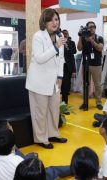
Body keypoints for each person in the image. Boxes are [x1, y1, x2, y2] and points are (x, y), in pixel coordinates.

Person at [25, 8, 67, 149]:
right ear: (44, 21)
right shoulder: (38, 36)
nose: (54, 22)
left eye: (56, 19)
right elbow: (39, 58)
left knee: (54, 110)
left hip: (54, 81)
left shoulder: (59, 36)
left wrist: (60, 76)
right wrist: (56, 47)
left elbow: (61, 59)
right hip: (39, 81)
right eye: (50, 19)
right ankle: (41, 138)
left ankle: (53, 133)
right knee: (40, 112)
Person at [78, 21, 104, 111]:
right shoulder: (84, 38)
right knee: (85, 84)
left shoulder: (99, 38)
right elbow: (79, 48)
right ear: (87, 28)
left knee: (97, 84)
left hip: (96, 64)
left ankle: (99, 102)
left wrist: (92, 41)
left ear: (95, 28)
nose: (91, 28)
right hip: (86, 64)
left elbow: (100, 48)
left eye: (93, 26)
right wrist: (80, 36)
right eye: (89, 27)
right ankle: (85, 103)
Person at [61, 29, 77, 104]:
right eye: (63, 33)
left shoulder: (71, 43)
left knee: (66, 86)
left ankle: (64, 104)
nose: (64, 34)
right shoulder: (58, 42)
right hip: (59, 67)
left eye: (66, 33)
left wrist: (74, 70)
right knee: (61, 86)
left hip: (68, 67)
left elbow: (74, 52)